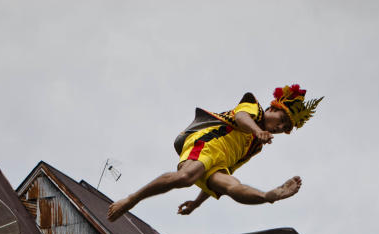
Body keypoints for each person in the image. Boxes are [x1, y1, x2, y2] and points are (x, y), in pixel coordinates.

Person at [107, 84, 323, 220]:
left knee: (231, 186)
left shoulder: (255, 147)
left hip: (219, 161)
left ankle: (268, 196)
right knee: (185, 177)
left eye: (284, 129)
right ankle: (131, 200)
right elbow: (240, 119)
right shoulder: (253, 107)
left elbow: (228, 167)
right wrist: (258, 131)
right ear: (272, 109)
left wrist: (196, 203)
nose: (278, 128)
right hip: (209, 142)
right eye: (282, 121)